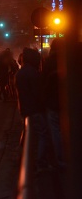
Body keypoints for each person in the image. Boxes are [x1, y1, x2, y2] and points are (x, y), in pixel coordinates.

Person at [15, 47, 48, 172]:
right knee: (42, 133)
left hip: (24, 108)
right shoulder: (33, 73)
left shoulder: (20, 73)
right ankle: (40, 161)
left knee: (27, 135)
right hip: (34, 109)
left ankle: (22, 159)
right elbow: (37, 93)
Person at [42, 38, 64, 168]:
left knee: (55, 131)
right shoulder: (68, 60)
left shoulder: (49, 62)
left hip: (52, 102)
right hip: (66, 102)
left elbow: (44, 83)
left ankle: (58, 158)